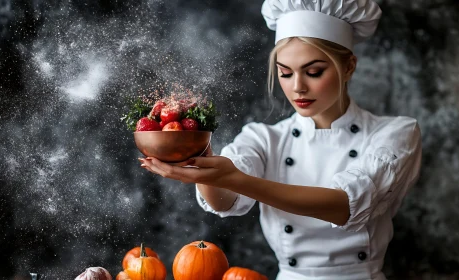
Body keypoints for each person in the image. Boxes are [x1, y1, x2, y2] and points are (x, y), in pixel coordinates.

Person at [139, 0, 422, 279]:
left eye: (313, 72)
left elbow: (344, 205)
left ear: (348, 67)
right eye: (285, 73)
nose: (297, 87)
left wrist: (235, 178)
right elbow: (223, 202)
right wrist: (198, 156)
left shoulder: (396, 134)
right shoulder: (264, 138)